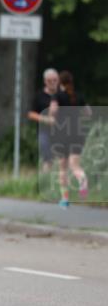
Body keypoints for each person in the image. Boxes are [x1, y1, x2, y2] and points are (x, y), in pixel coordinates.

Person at [50, 70, 91, 208]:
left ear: (60, 82)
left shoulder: (58, 96)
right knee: (75, 165)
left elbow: (53, 112)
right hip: (78, 134)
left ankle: (65, 199)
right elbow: (88, 112)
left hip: (62, 135)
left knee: (62, 168)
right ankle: (83, 180)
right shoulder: (78, 96)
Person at [27, 68, 62, 175]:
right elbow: (31, 114)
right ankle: (45, 180)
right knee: (48, 158)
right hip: (44, 132)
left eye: (55, 80)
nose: (52, 83)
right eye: (50, 80)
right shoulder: (39, 96)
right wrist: (45, 119)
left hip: (62, 131)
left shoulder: (63, 95)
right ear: (45, 81)